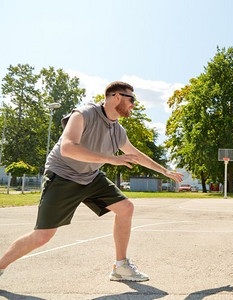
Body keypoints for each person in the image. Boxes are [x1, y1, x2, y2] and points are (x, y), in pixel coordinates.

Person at [0, 81, 183, 282]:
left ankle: (120, 266)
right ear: (116, 96)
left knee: (126, 208)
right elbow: (68, 148)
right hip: (63, 176)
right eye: (132, 99)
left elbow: (135, 154)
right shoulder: (84, 113)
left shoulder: (118, 130)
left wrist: (164, 170)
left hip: (90, 177)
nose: (133, 104)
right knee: (42, 236)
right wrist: (112, 159)